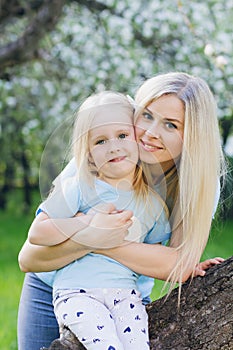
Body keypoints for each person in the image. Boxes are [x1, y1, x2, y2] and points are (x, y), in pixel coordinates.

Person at [17, 72, 225, 349]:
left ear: (193, 135)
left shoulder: (199, 183)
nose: (151, 133)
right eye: (147, 116)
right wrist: (96, 233)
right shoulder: (100, 157)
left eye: (171, 125)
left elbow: (176, 264)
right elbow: (29, 258)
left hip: (124, 296)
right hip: (54, 286)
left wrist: (99, 235)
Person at [25, 90, 173, 349]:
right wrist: (87, 225)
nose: (114, 146)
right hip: (77, 292)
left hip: (124, 294)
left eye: (123, 136)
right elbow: (38, 233)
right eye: (100, 141)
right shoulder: (78, 187)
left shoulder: (152, 204)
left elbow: (157, 254)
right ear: (88, 152)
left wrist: (194, 266)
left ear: (137, 138)